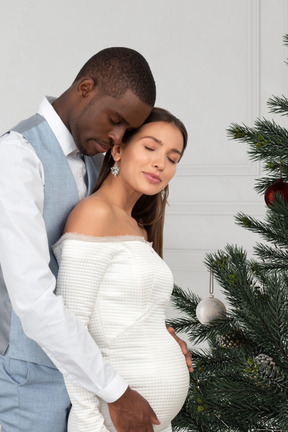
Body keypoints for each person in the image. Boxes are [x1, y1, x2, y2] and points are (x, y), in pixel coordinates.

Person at [0, 47, 191, 432]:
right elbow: (34, 301)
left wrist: (155, 338)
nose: (117, 136)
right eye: (116, 120)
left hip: (84, 386)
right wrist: (117, 392)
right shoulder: (15, 157)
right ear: (86, 88)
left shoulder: (94, 156)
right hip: (30, 389)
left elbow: (100, 286)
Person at [53, 107, 190, 432]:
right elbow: (70, 329)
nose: (161, 163)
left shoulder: (138, 227)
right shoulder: (94, 214)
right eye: (150, 147)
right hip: (109, 419)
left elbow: (132, 314)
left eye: (173, 158)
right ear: (117, 149)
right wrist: (88, 422)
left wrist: (168, 340)